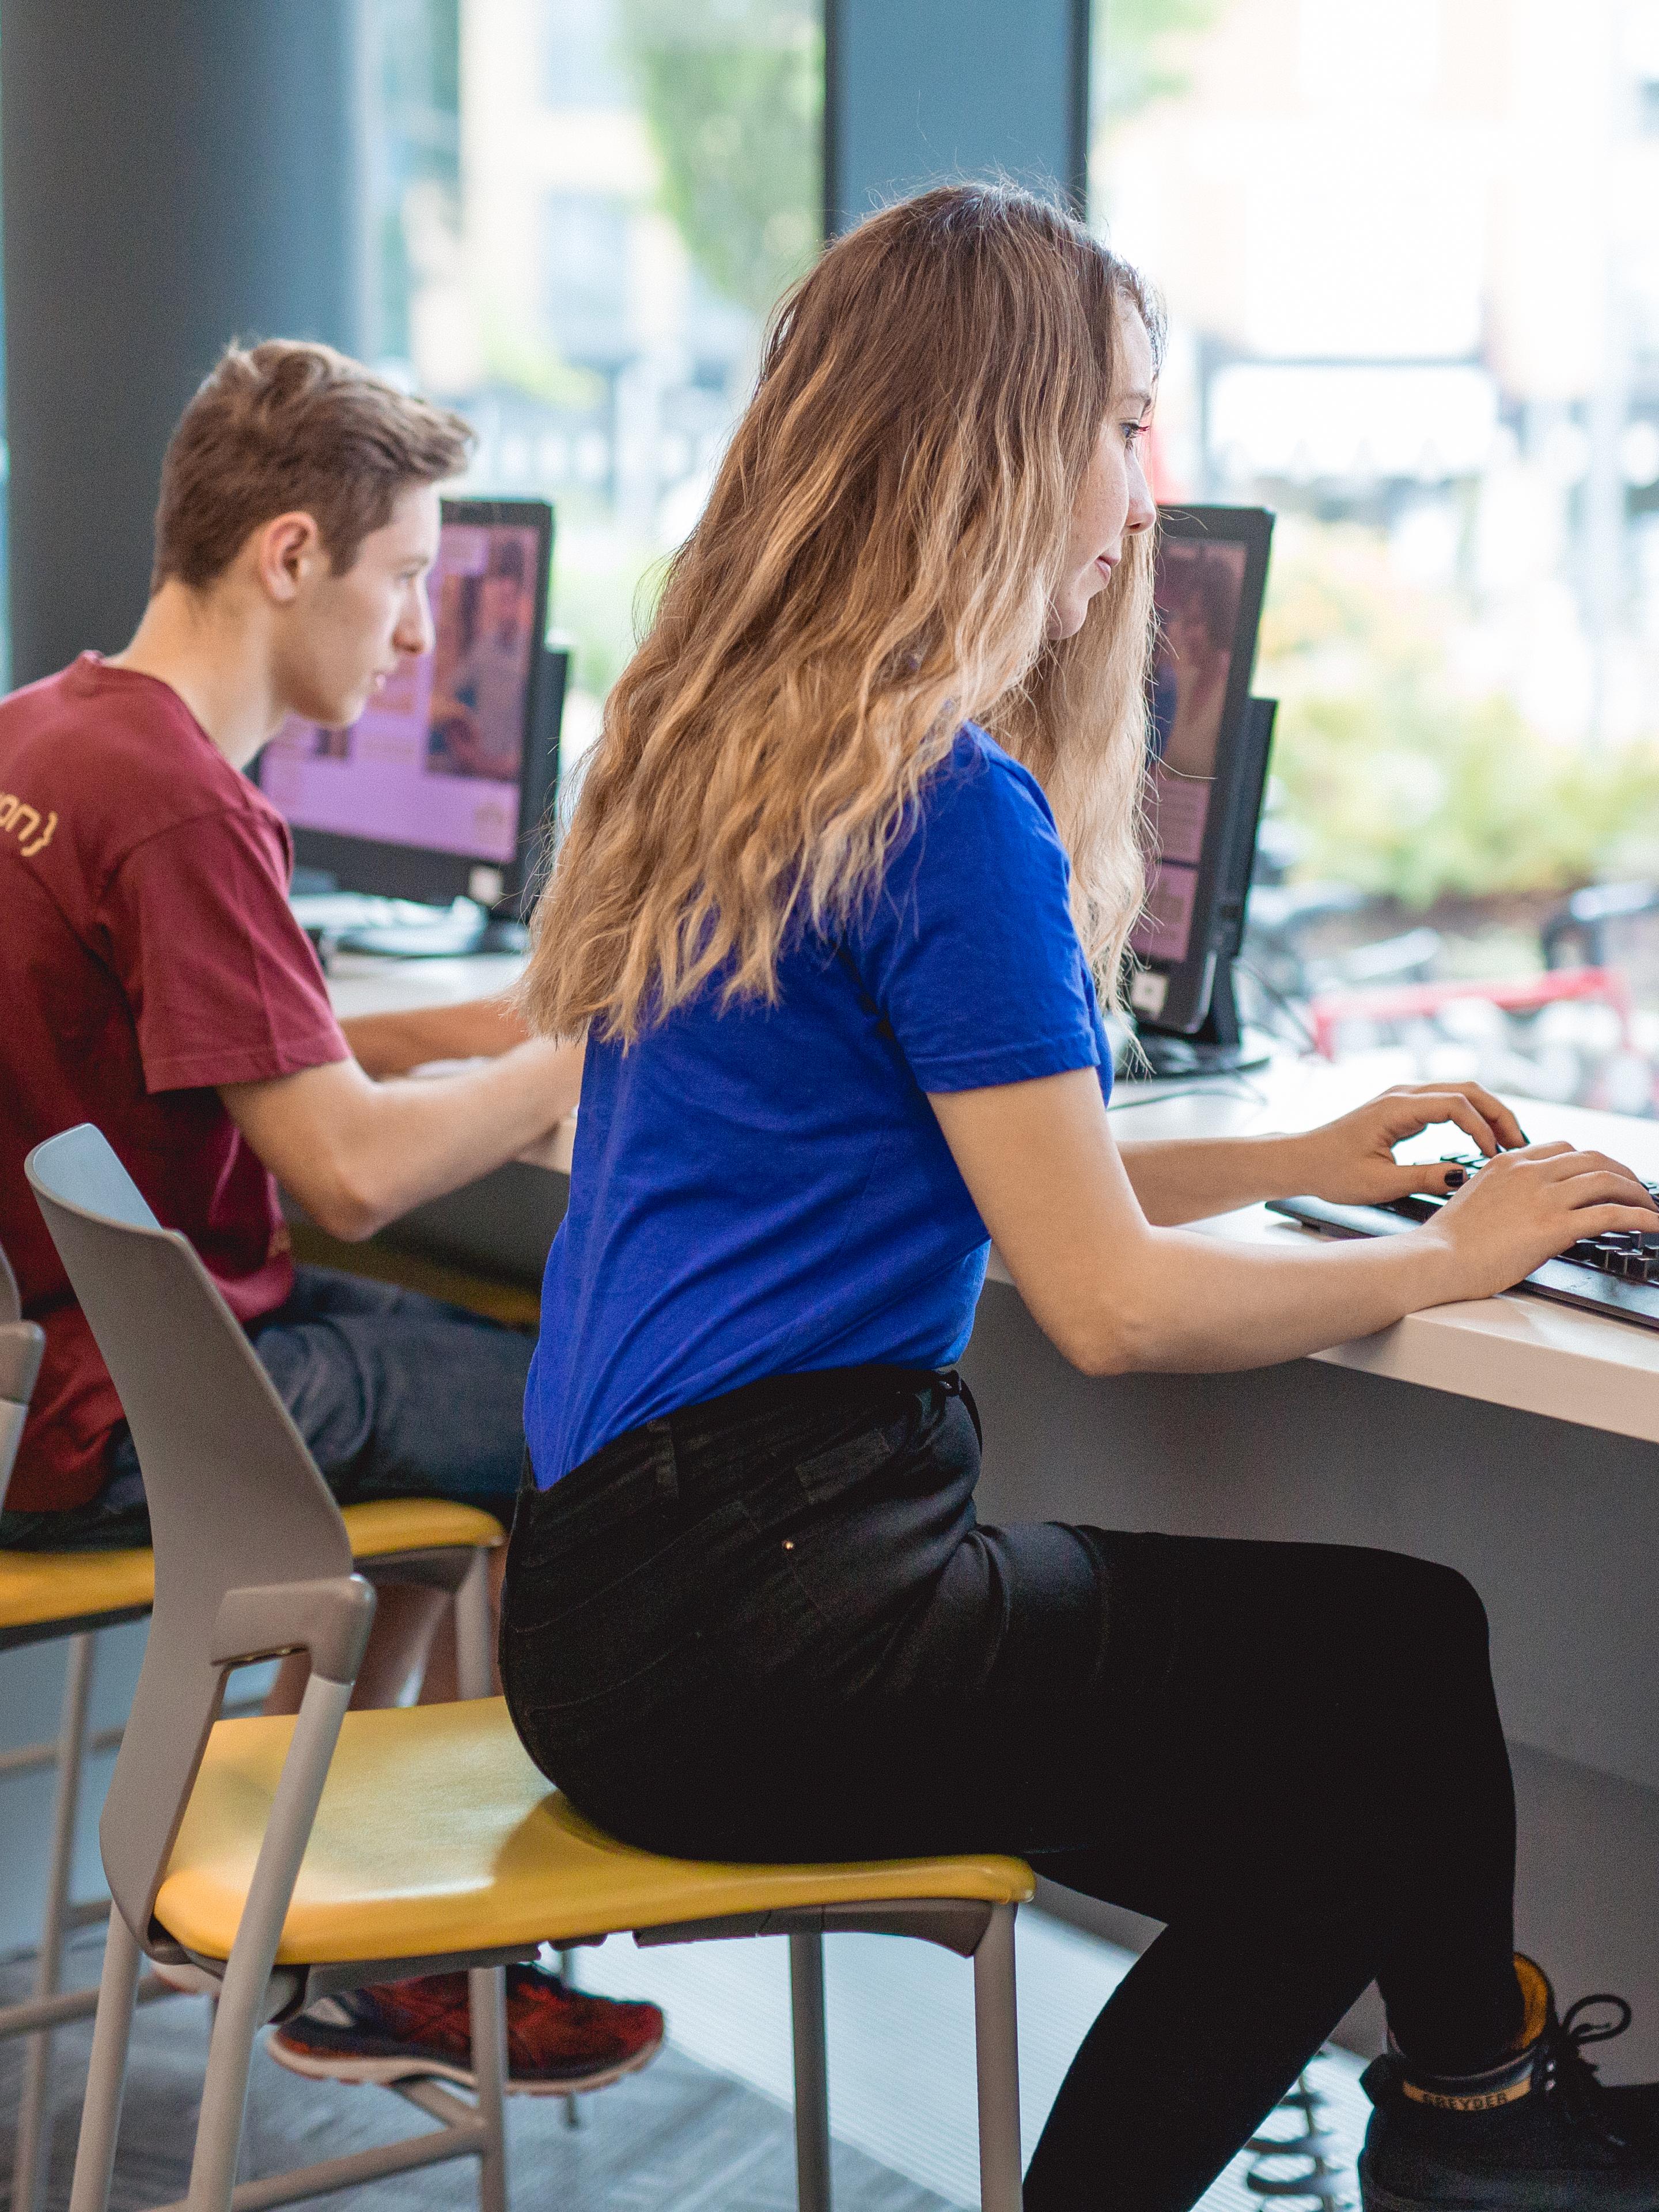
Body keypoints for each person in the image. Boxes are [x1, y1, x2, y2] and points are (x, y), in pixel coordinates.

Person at [498, 183, 1659, 2211]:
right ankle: (1482, 2135)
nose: (1148, 495)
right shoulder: (950, 806)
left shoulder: (720, 746)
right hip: (780, 1614)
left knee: (1333, 1827)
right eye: (1126, 425)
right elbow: (1104, 1307)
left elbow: (982, 1153)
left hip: (616, 1604)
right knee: (1399, 1660)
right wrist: (1473, 1250)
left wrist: (1297, 1160)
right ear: (1001, 442)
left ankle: (1475, 2124)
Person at [0, 339, 661, 2101]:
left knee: (459, 1373)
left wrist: (485, 1027)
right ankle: (402, 1948)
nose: (428, 635)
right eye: (408, 579)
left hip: (57, 1374)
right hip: (146, 1409)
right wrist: (571, 1066)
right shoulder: (191, 810)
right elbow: (350, 1171)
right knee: (573, 1411)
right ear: (289, 555)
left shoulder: (53, 734)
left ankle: (331, 1909)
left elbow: (226, 1036)